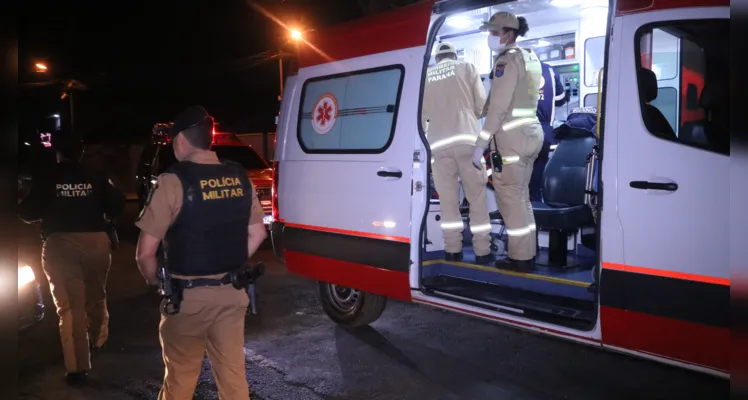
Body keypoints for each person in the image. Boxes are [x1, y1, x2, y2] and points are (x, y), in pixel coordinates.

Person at [135, 105, 267, 399]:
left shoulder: (172, 181)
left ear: (181, 140)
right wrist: (228, 262)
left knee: (180, 382)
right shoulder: (239, 176)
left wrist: (156, 283)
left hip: (188, 299)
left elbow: (145, 253)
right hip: (232, 293)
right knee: (233, 380)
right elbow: (258, 232)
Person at [18, 132, 125, 385]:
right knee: (97, 294)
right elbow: (117, 206)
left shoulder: (48, 179)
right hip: (96, 243)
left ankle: (78, 367)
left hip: (60, 245)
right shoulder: (96, 176)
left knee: (70, 307)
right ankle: (98, 338)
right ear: (81, 152)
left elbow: (27, 212)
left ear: (58, 153)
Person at [472, 11, 544, 272]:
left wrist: (480, 143)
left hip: (511, 139)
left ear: (507, 34)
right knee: (522, 198)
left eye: (493, 32)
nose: (491, 37)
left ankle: (520, 259)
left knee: (510, 199)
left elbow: (499, 108)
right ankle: (528, 252)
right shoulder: (529, 57)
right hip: (531, 134)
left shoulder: (506, 61)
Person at [422, 42, 493, 263]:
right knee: (477, 198)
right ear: (454, 55)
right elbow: (481, 106)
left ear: (437, 59)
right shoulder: (467, 68)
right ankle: (482, 252)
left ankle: (452, 250)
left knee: (448, 201)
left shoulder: (427, 76)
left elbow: (423, 116)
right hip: (467, 142)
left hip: (439, 145)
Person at [529, 61, 568, 202]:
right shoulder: (550, 70)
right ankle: (536, 207)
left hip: (519, 129)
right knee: (538, 172)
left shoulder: (515, 68)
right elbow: (561, 99)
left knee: (518, 177)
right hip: (543, 130)